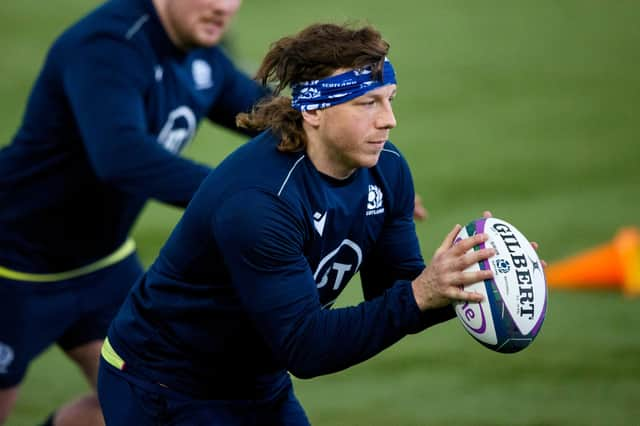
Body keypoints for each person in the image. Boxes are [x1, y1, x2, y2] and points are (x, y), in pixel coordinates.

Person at [97, 22, 498, 425]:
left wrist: (469, 279)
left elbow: (398, 290)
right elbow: (308, 348)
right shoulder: (260, 203)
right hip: (163, 386)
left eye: (390, 99)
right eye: (368, 103)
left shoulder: (387, 169)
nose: (389, 120)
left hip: (258, 385)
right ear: (314, 111)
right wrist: (420, 294)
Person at [0, 0, 274, 424]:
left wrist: (373, 169)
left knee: (157, 402)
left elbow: (275, 119)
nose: (225, 6)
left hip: (103, 265)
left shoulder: (201, 49)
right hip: (12, 266)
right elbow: (123, 156)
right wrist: (242, 197)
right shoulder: (107, 46)